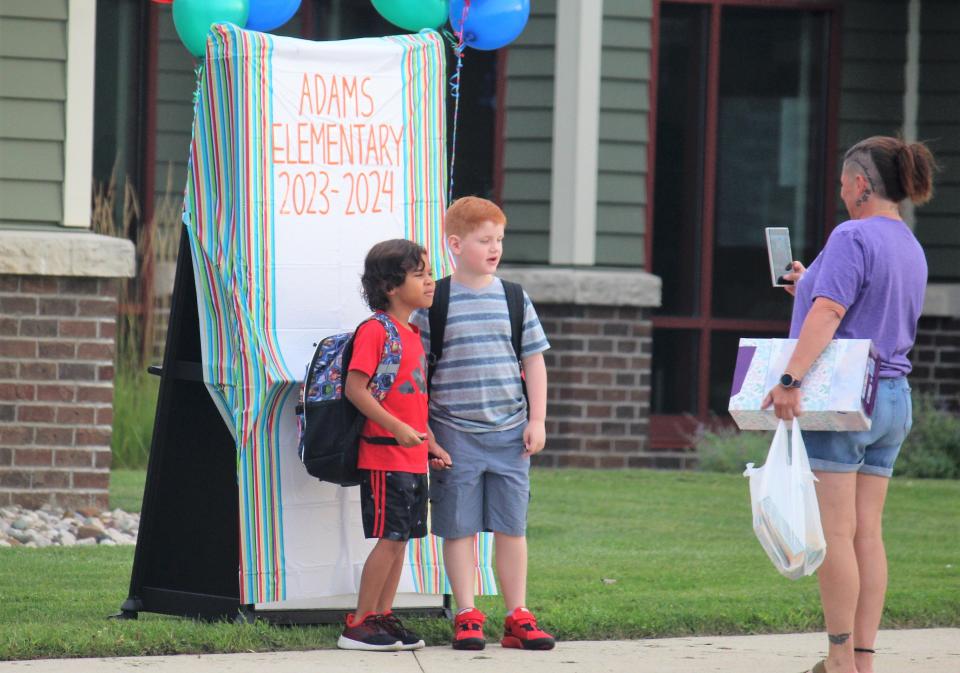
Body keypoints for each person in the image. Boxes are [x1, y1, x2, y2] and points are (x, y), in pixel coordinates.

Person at [763, 136, 936, 673]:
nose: (840, 192)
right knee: (867, 533)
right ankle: (862, 658)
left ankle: (837, 658)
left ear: (861, 183)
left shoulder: (851, 234)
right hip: (892, 398)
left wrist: (791, 378)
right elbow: (855, 302)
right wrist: (807, 284)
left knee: (834, 534)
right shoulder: (908, 242)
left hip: (842, 399)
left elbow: (831, 313)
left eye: (842, 182)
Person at [411, 196, 556, 651]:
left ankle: (517, 616)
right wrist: (429, 432)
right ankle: (468, 614)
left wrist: (538, 419)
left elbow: (533, 362)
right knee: (459, 526)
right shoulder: (436, 300)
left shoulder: (514, 297)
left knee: (513, 527)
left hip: (511, 433)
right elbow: (417, 373)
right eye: (484, 240)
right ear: (455, 244)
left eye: (499, 239)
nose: (495, 248)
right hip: (454, 434)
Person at [337, 238, 452, 652]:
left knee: (401, 538)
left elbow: (414, 399)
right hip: (384, 453)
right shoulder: (375, 330)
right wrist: (397, 429)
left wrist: (429, 443)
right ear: (390, 286)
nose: (430, 281)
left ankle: (382, 616)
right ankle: (359, 623)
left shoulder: (413, 333)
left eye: (429, 272)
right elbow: (356, 388)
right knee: (389, 538)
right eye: (419, 273)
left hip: (409, 454)